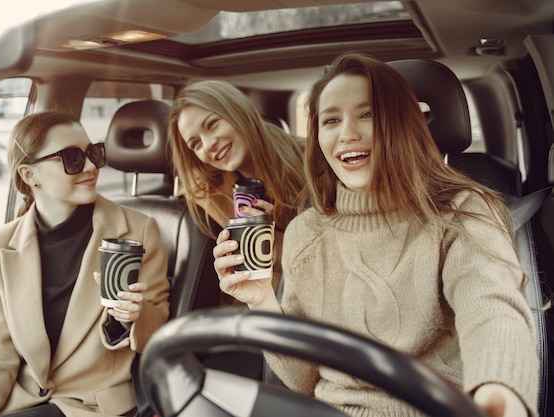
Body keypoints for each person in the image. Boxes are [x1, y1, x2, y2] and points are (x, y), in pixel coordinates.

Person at [213, 52, 538, 417]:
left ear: (401, 123)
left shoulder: (463, 212)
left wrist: (498, 392)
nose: (347, 134)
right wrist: (262, 303)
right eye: (331, 119)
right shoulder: (306, 232)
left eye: (367, 114)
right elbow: (304, 381)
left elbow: (491, 308)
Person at [0, 112, 170, 417]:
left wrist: (132, 316)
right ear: (30, 175)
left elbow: (159, 328)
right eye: (72, 158)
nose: (92, 166)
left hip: (96, 404)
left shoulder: (137, 229)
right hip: (25, 399)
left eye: (92, 153)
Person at [168, 79, 307, 305]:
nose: (208, 145)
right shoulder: (209, 193)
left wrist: (276, 236)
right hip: (261, 308)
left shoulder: (313, 159)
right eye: (195, 144)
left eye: (212, 124)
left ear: (238, 111)